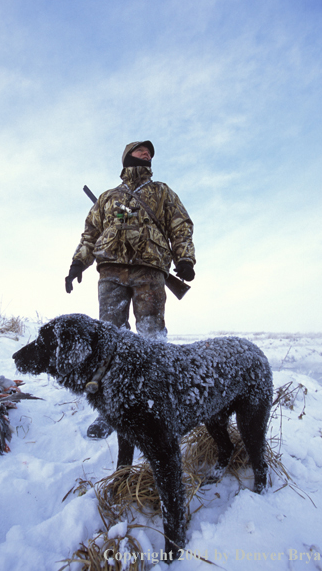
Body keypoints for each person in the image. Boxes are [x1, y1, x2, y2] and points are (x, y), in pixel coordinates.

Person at [65, 140, 196, 438]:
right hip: (110, 271)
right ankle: (109, 409)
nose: (147, 154)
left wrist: (185, 259)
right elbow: (90, 234)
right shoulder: (108, 198)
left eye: (149, 153)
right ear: (127, 157)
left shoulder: (161, 192)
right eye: (141, 151)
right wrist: (77, 265)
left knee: (152, 335)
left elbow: (181, 226)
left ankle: (161, 403)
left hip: (149, 272)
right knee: (108, 337)